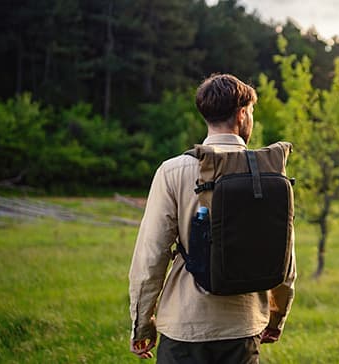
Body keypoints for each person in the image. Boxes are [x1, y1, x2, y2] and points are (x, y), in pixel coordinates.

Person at [128, 74, 295, 363]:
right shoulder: (269, 176)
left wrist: (142, 323)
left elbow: (150, 256)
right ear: (242, 114)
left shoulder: (172, 170)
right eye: (251, 112)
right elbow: (284, 259)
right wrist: (275, 317)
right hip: (242, 328)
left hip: (184, 327)